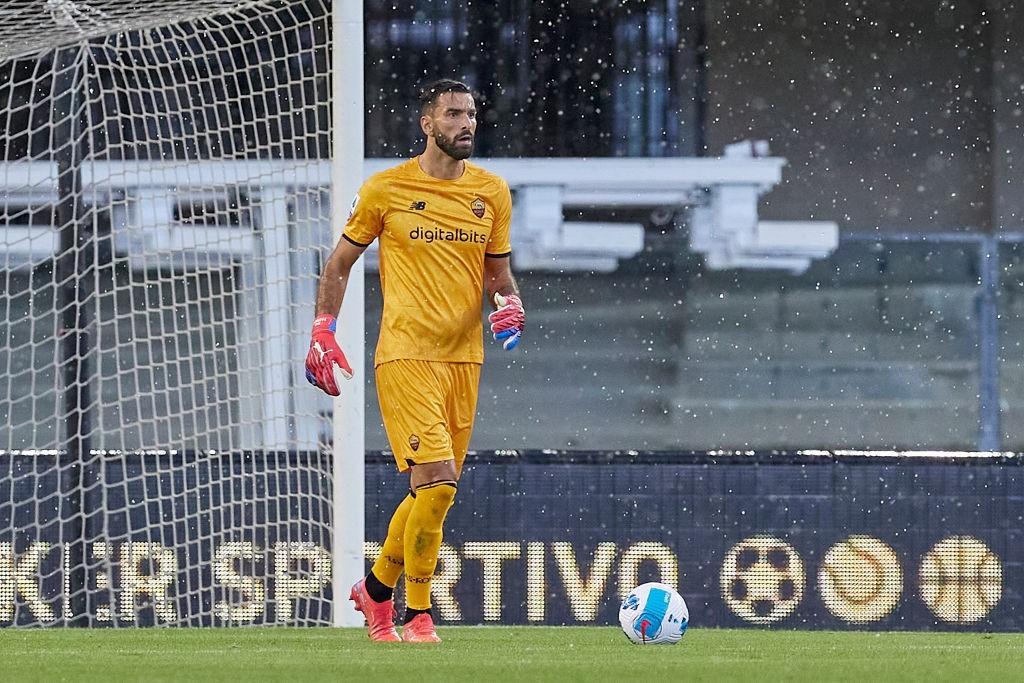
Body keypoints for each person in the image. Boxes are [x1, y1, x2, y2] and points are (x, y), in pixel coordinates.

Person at [304, 79, 525, 643]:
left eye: (471, 114)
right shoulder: (386, 189)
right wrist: (322, 330)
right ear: (427, 124)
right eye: (453, 114)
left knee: (429, 491)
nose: (466, 123)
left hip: (465, 360)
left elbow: (498, 278)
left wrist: (509, 304)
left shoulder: (492, 193)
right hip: (404, 355)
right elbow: (339, 263)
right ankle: (417, 612)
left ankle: (375, 591)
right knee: (439, 487)